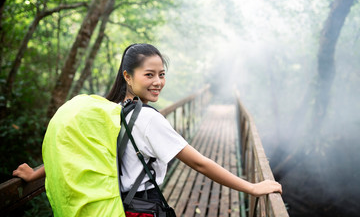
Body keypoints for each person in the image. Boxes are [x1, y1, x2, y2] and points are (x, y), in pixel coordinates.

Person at [13, 43, 282, 208]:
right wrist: (252, 187)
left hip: (118, 206)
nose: (158, 82)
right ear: (128, 76)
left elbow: (79, 152)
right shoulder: (149, 119)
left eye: (162, 75)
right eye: (149, 75)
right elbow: (200, 163)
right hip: (143, 206)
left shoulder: (107, 112)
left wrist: (34, 174)